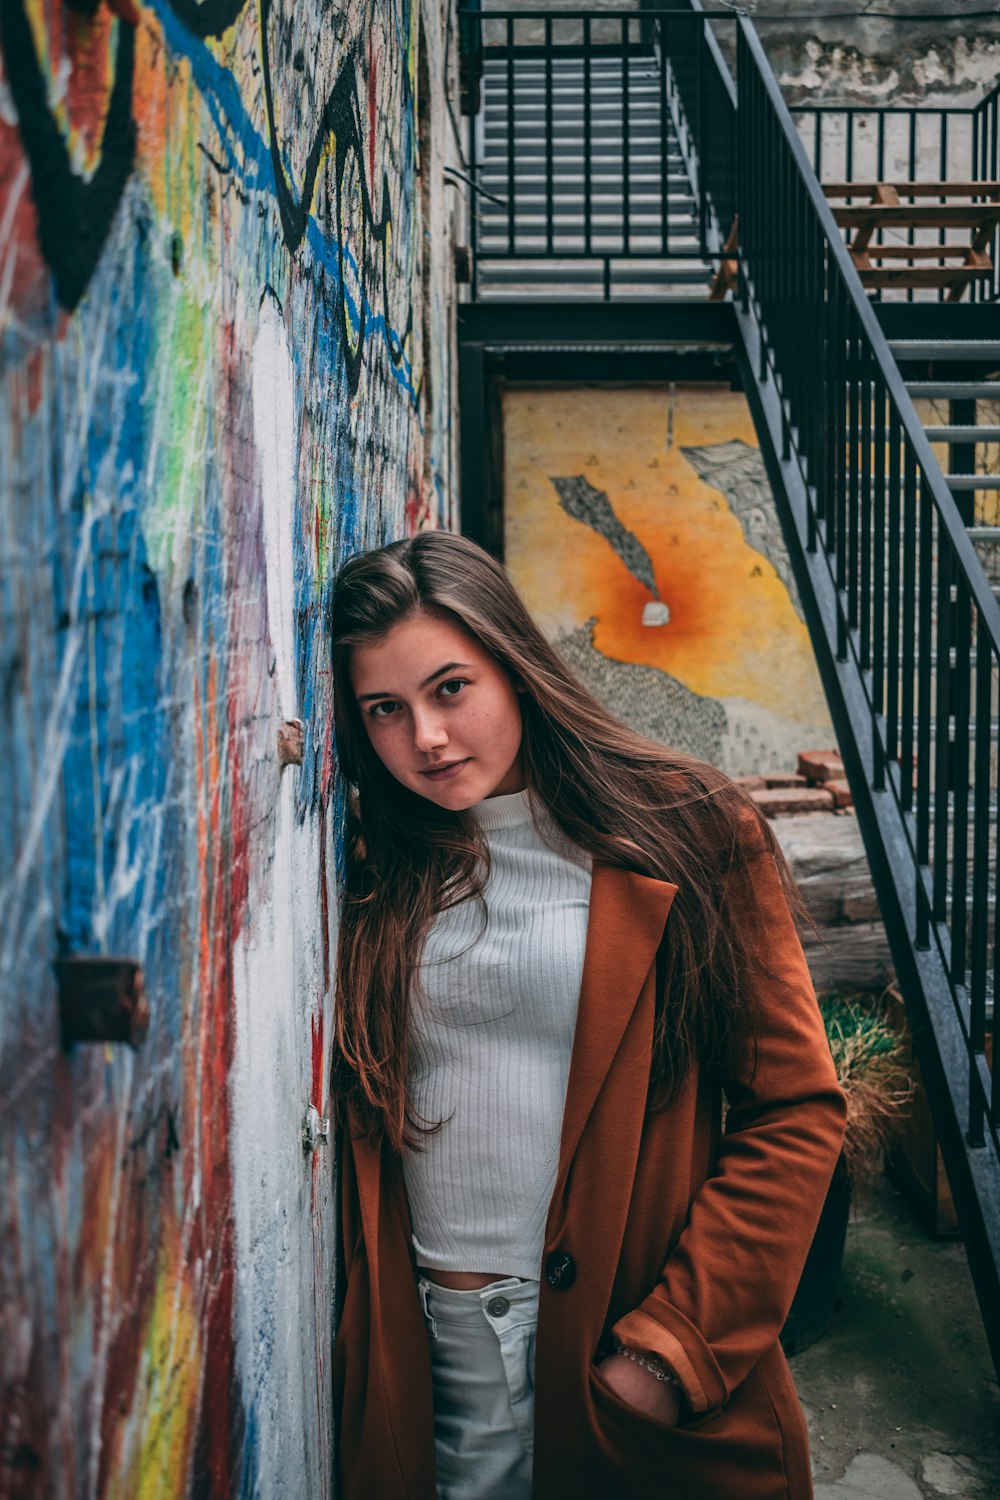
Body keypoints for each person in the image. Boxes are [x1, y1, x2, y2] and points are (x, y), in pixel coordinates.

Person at [329, 530, 847, 1500]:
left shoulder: (688, 830)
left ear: (515, 669)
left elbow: (795, 1110)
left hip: (621, 1362)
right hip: (433, 1374)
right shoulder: (377, 867)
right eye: (385, 711)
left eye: (451, 689)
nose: (427, 739)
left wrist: (667, 1355)